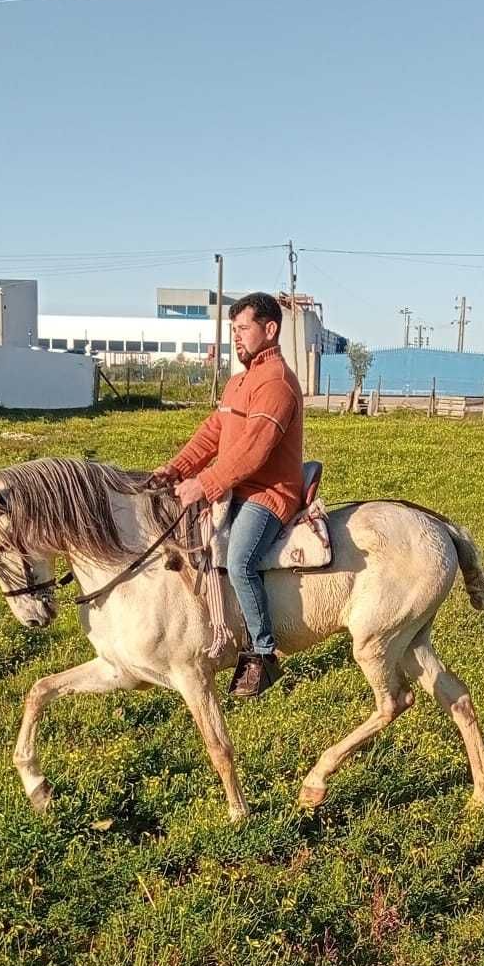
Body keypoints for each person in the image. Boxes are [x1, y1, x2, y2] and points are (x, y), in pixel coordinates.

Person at [150, 291, 304, 699]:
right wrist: (176, 468)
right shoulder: (240, 382)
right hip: (239, 486)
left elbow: (253, 451)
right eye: (233, 329)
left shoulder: (277, 384)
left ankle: (264, 652)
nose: (236, 337)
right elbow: (213, 433)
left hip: (269, 493)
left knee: (239, 561)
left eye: (243, 329)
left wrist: (203, 484)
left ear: (269, 330)